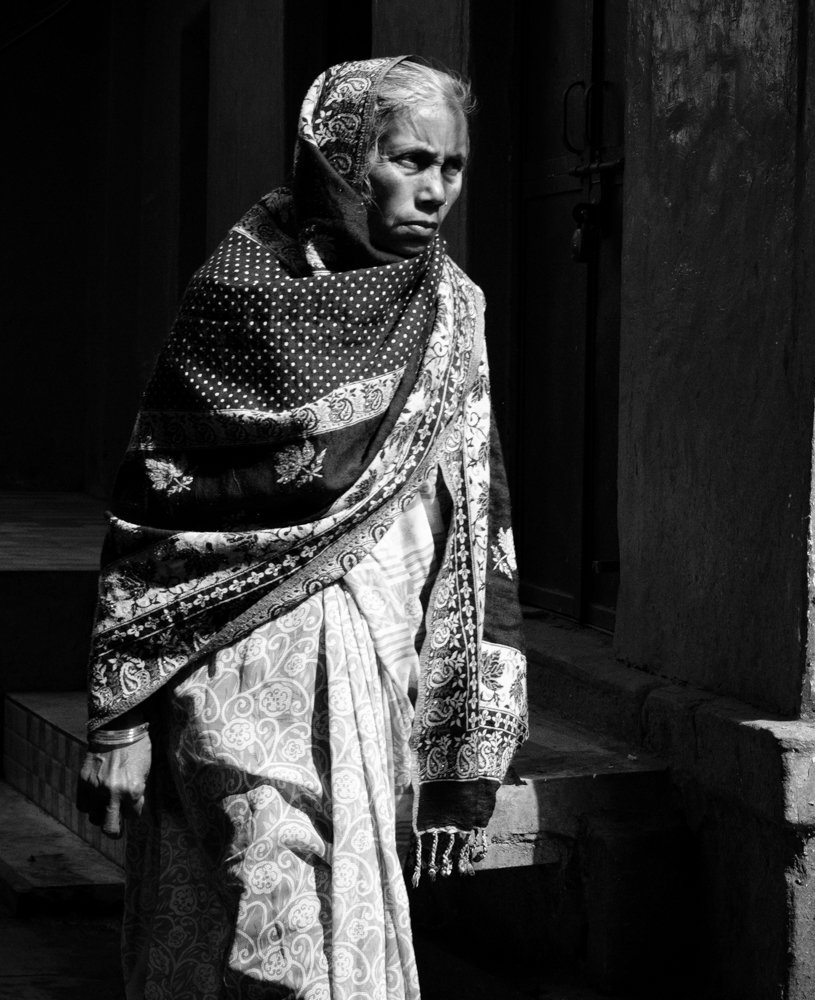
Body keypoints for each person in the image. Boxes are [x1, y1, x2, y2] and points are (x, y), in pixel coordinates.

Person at [77, 56, 528, 1000]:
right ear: (343, 157)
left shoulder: (454, 309)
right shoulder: (243, 293)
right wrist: (120, 715)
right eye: (411, 160)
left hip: (376, 660)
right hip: (237, 665)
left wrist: (457, 708)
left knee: (331, 934)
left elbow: (472, 504)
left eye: (453, 167)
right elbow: (159, 500)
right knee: (263, 917)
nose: (437, 189)